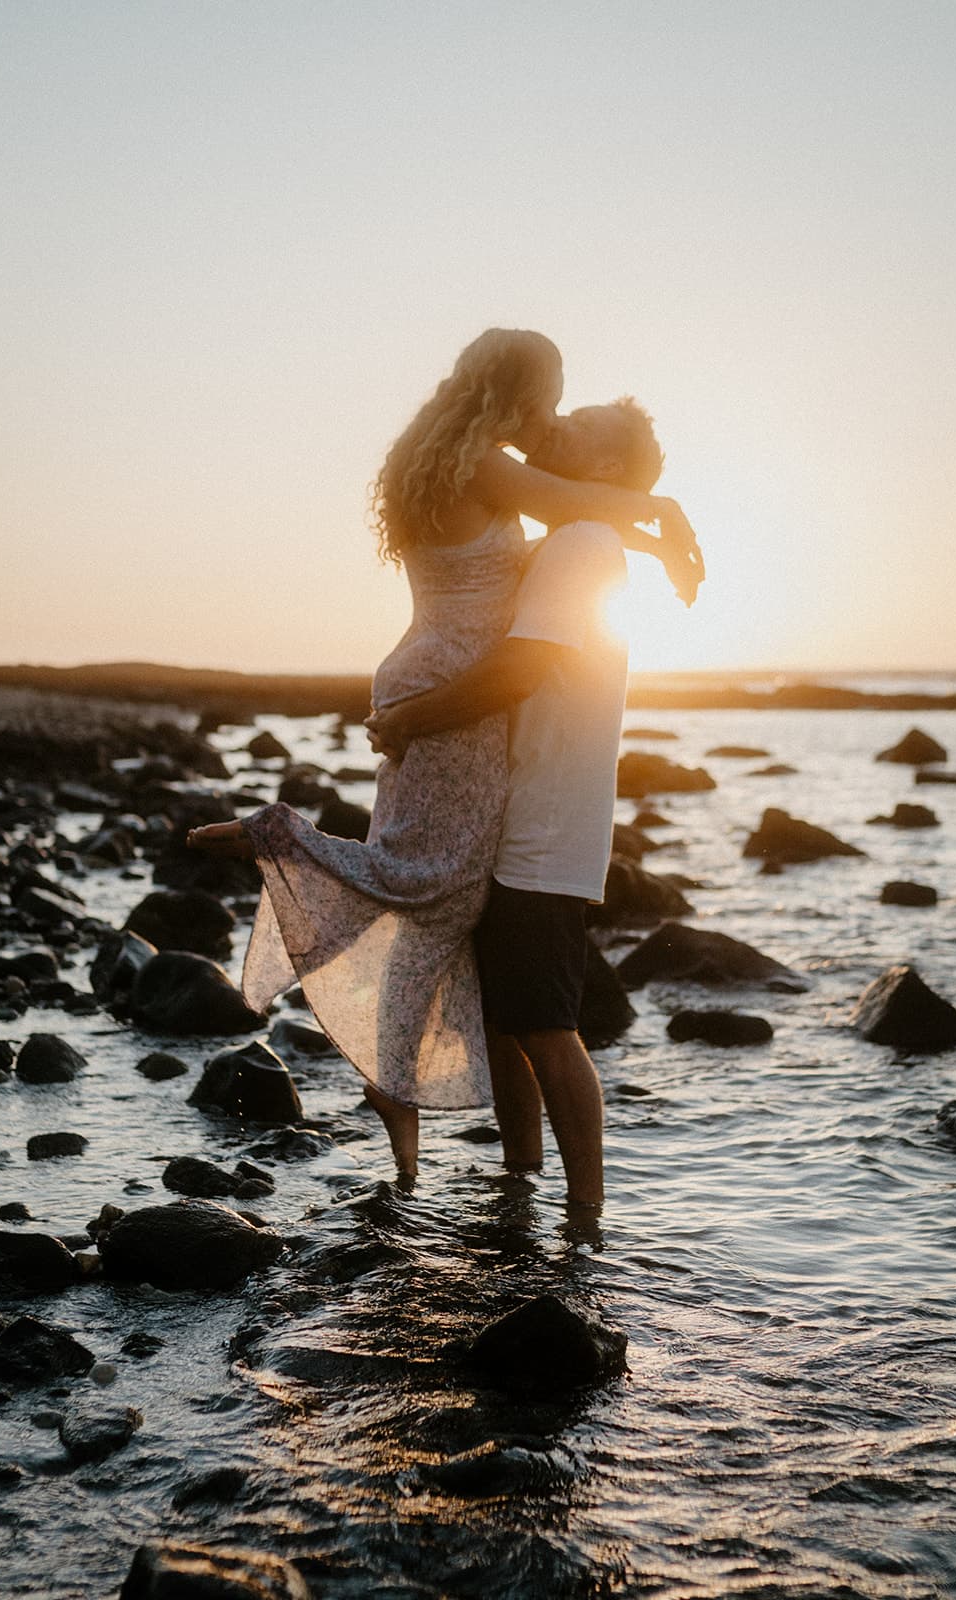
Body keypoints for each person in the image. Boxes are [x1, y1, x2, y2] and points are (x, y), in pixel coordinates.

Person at [188, 329, 701, 1179]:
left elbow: (577, 518)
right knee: (431, 881)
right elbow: (582, 508)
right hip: (449, 700)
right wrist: (669, 515)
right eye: (549, 398)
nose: (551, 417)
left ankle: (470, 1143)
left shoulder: (441, 453)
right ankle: (284, 840)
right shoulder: (488, 465)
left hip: (424, 676)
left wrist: (648, 534)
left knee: (439, 895)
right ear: (514, 393)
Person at [366, 400, 703, 1207]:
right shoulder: (571, 535)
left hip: (545, 830)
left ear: (610, 466)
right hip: (515, 817)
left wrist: (407, 719)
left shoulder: (581, 546)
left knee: (548, 1028)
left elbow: (516, 672)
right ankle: (520, 1184)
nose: (554, 423)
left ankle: (585, 1217)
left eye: (576, 422)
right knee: (506, 1026)